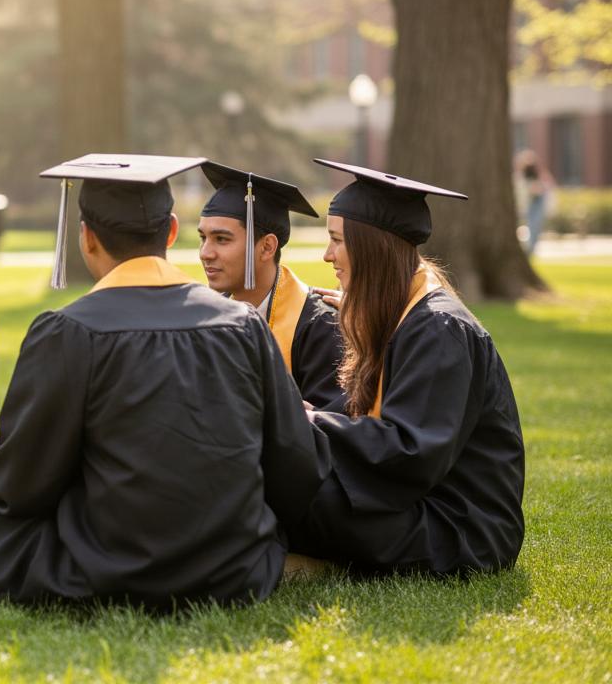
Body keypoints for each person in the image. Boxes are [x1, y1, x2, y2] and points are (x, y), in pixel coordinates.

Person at [0, 154, 328, 609]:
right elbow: (296, 465)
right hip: (234, 568)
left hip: (102, 569)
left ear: (87, 239)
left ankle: (2, 579)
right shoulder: (244, 326)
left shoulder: (66, 332)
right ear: (171, 232)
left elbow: (19, 491)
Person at [288, 158, 525, 575]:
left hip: (461, 528)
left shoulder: (438, 329)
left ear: (372, 246)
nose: (327, 255)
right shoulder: (405, 315)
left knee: (291, 494)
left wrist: (310, 424)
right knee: (285, 482)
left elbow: (411, 451)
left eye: (337, 240)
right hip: (422, 503)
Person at [198, 165, 343, 407]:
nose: (205, 253)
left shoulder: (320, 327)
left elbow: (333, 427)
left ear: (267, 247)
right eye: (203, 238)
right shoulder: (202, 318)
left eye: (221, 239)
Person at [515, 149, 556, 255]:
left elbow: (547, 187)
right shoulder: (522, 177)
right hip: (528, 206)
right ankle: (528, 249)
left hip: (536, 206)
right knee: (530, 228)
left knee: (534, 228)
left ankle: (530, 250)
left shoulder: (539, 175)